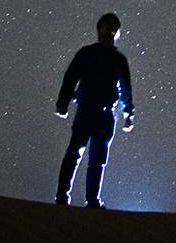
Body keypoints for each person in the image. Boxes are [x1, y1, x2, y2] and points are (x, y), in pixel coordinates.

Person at [55, 12, 135, 208]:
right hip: (87, 111)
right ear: (99, 30)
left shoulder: (118, 60)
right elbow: (71, 77)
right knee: (74, 154)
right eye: (108, 27)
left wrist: (128, 113)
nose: (111, 31)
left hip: (106, 115)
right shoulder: (87, 53)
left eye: (114, 28)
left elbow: (125, 88)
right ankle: (62, 198)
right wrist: (63, 101)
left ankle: (92, 201)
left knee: (97, 160)